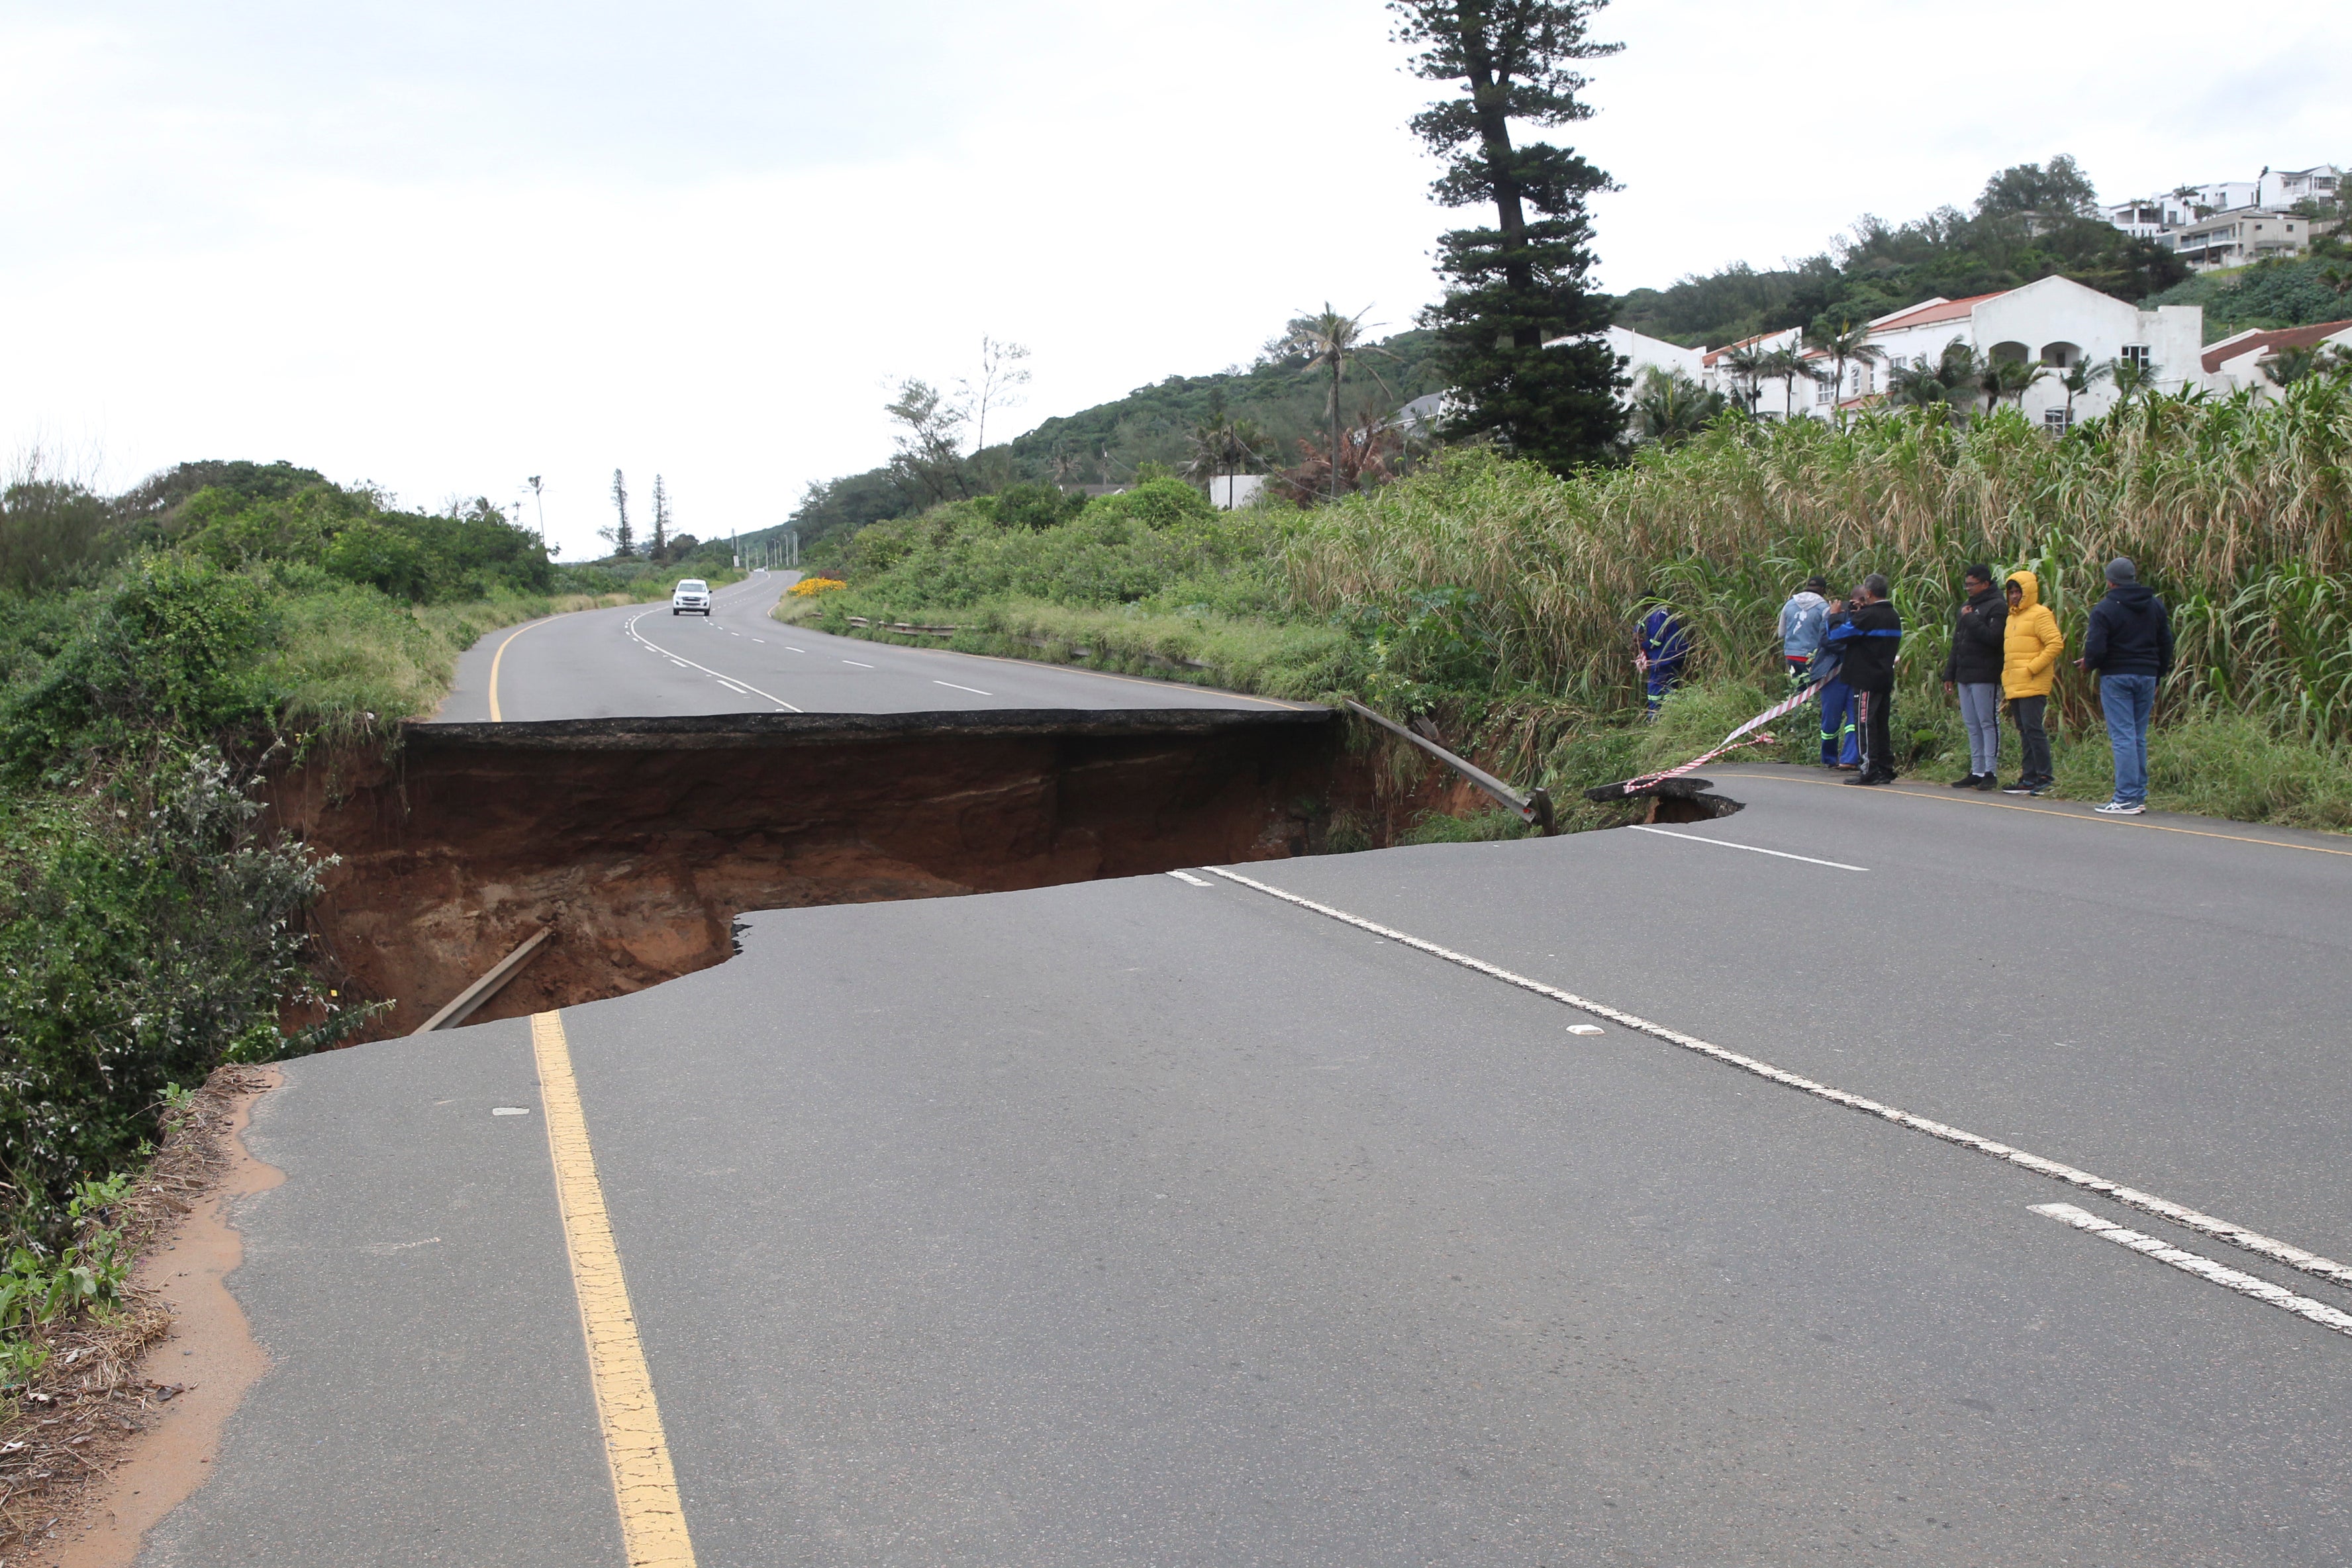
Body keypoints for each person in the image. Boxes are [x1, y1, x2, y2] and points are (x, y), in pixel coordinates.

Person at [2079, 556, 2173, 815]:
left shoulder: (2105, 609)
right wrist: (2158, 674)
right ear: (2132, 577)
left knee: (2123, 737)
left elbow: (2097, 648)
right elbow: (2166, 642)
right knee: (2137, 736)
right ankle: (2138, 795)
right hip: (2147, 675)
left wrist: (2089, 664)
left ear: (2110, 582)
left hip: (2117, 676)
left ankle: (2126, 797)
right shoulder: (2155, 605)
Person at [1825, 573, 1902, 784]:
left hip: (1866, 678)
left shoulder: (1868, 616)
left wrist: (1834, 617)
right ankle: (1885, 767)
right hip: (1884, 676)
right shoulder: (1893, 615)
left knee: (1864, 723)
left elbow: (1837, 636)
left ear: (1868, 593)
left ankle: (1868, 768)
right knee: (1880, 724)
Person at [1940, 564, 2008, 789]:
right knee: (1972, 724)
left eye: (1972, 584)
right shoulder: (1967, 607)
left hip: (1985, 673)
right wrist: (1950, 674)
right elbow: (1957, 643)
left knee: (1987, 722)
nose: (1968, 588)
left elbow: (1993, 638)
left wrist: (1970, 619)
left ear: (1985, 584)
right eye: (1966, 584)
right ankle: (1977, 770)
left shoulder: (1997, 606)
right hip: (1965, 674)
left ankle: (1990, 771)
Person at [1999, 569, 2064, 796]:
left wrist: (2033, 667)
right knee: (2024, 730)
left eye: (2018, 591)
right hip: (2015, 682)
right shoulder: (2012, 617)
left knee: (2034, 729)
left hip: (2033, 681)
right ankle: (2029, 777)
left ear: (2028, 592)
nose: (2015, 596)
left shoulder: (2040, 614)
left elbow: (2055, 644)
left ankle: (2045, 776)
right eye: (2011, 592)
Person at [1812, 591, 1861, 769]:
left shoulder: (1868, 618)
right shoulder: (1832, 613)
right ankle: (1829, 758)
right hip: (1832, 675)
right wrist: (1852, 648)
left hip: (1856, 675)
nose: (1859, 608)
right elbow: (1826, 640)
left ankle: (1850, 759)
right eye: (1857, 603)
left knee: (1855, 718)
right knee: (1830, 720)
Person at [1634, 601, 1689, 718]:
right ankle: (1671, 716)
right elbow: (1643, 623)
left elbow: (1656, 641)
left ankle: (1654, 717)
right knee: (1671, 685)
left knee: (1655, 687)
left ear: (1647, 605)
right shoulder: (1662, 612)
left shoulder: (1657, 616)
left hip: (1665, 657)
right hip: (1676, 654)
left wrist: (1642, 645)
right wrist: (1637, 630)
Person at [1779, 576, 1830, 690]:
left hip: (1791, 655)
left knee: (1798, 690)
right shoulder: (1824, 608)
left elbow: (1782, 633)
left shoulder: (1789, 604)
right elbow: (1828, 635)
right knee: (1813, 691)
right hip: (1811, 657)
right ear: (1822, 590)